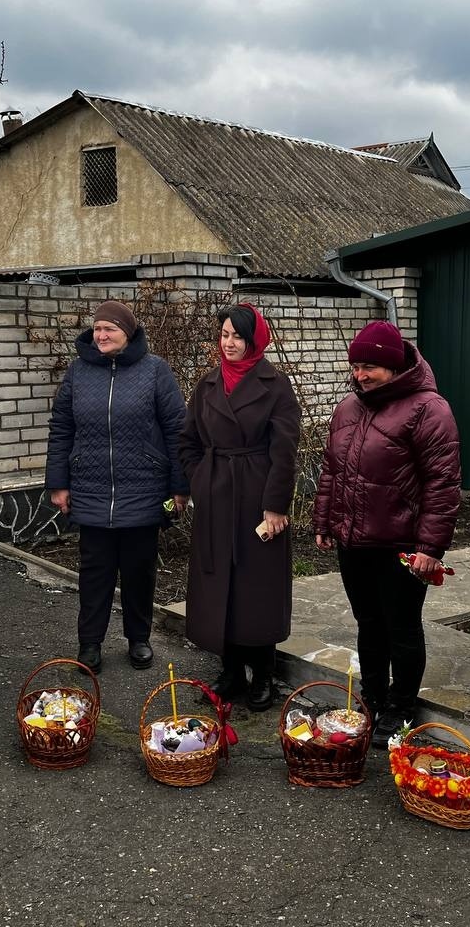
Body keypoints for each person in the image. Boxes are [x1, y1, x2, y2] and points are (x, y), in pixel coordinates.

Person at [313, 320, 461, 739]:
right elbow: (331, 471)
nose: (361, 375)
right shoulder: (348, 407)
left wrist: (432, 545)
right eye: (356, 366)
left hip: (401, 545)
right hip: (354, 541)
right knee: (368, 622)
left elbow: (442, 483)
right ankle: (373, 698)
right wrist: (325, 521)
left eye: (371, 367)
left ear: (395, 368)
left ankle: (400, 707)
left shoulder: (430, 410)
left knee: (402, 627)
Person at [44, 300, 187, 674]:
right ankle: (90, 644)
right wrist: (58, 481)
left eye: (110, 329)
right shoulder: (78, 372)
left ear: (129, 333)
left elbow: (177, 429)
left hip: (144, 488)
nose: (102, 335)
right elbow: (61, 427)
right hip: (89, 488)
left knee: (139, 572)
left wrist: (179, 485)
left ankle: (138, 639)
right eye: (97, 329)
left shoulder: (154, 371)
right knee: (95, 574)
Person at [179, 304, 300, 711]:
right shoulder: (208, 385)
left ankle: (263, 674)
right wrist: (201, 479)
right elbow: (188, 440)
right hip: (217, 497)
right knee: (220, 586)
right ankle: (230, 671)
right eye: (224, 334)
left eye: (237, 336)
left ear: (254, 340)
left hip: (257, 499)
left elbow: (285, 451)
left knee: (257, 588)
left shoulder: (276, 385)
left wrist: (275, 505)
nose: (228, 343)